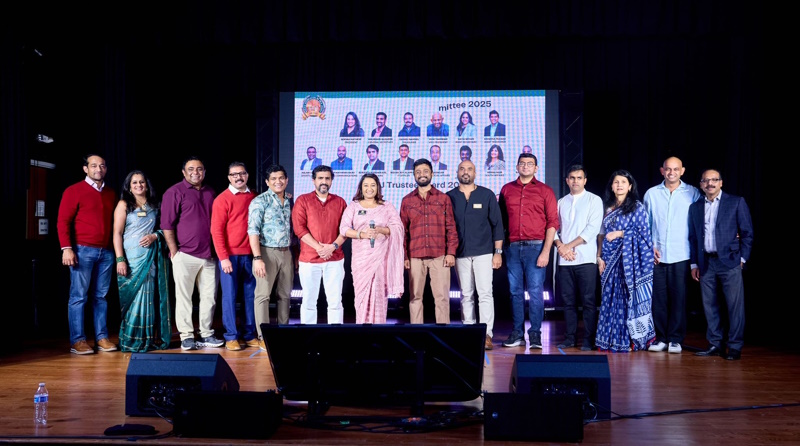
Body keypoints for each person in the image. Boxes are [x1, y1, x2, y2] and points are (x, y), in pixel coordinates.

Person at [689, 169, 753, 361]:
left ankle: (734, 346)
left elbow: (747, 233)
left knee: (735, 307)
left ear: (721, 183)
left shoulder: (736, 202)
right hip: (706, 262)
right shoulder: (695, 207)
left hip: (730, 262)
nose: (710, 183)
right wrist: (694, 264)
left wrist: (742, 259)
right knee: (710, 306)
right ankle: (715, 344)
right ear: (701, 184)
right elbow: (693, 237)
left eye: (714, 180)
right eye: (706, 181)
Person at [58, 154, 118, 355]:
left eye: (102, 165)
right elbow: (63, 222)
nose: (98, 169)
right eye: (93, 166)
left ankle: (101, 338)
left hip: (106, 252)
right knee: (78, 296)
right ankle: (78, 340)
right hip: (82, 251)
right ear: (85, 169)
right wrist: (67, 248)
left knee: (101, 297)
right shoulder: (73, 191)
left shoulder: (110, 193)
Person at [161, 156, 223, 350]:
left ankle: (206, 334)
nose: (196, 172)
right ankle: (186, 336)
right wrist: (174, 252)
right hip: (185, 255)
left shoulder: (210, 192)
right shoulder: (174, 192)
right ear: (183, 172)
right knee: (184, 298)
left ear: (204, 171)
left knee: (209, 298)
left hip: (209, 255)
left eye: (199, 169)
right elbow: (167, 225)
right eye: (191, 169)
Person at [499, 153, 558, 349]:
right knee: (515, 292)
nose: (525, 166)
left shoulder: (545, 191)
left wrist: (546, 251)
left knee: (535, 292)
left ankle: (535, 335)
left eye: (530, 164)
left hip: (536, 247)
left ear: (536, 168)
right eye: (522, 164)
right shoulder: (507, 190)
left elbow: (552, 222)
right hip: (513, 247)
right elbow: (501, 222)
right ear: (516, 167)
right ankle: (517, 333)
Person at [643, 157, 701, 354]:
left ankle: (675, 339)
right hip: (657, 256)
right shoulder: (651, 193)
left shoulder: (692, 193)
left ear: (682, 171)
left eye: (676, 169)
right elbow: (646, 224)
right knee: (658, 299)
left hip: (681, 254)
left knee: (679, 299)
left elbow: (700, 222)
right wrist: (650, 247)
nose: (671, 172)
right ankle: (661, 338)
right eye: (668, 169)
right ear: (662, 171)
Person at [595, 170, 656, 353]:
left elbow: (644, 234)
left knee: (625, 300)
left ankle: (629, 340)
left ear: (630, 187)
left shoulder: (637, 207)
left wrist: (620, 233)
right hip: (609, 261)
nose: (619, 185)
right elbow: (601, 235)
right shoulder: (608, 208)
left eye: (623, 182)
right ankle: (608, 339)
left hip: (629, 262)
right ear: (612, 187)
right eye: (616, 182)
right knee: (609, 300)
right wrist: (599, 257)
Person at [447, 160, 504, 350]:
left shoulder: (486, 195)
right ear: (457, 172)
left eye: (469, 169)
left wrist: (498, 253)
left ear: (475, 173)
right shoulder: (450, 197)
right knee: (466, 294)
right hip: (460, 253)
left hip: (484, 253)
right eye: (462, 169)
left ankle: (486, 334)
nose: (466, 172)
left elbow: (497, 225)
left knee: (485, 293)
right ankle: (469, 332)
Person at [112, 170, 171, 353]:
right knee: (134, 298)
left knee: (148, 297)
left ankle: (146, 339)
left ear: (147, 185)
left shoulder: (155, 205)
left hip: (149, 258)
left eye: (142, 182)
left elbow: (166, 228)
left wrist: (155, 236)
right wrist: (120, 259)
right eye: (134, 183)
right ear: (129, 187)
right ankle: (131, 340)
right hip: (131, 260)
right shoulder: (124, 204)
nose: (139, 185)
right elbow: (117, 233)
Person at [339, 174, 405, 323]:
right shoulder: (354, 206)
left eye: (373, 185)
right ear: (361, 188)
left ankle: (379, 330)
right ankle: (362, 330)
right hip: (361, 260)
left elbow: (398, 228)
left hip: (380, 258)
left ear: (378, 188)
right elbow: (343, 229)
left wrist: (380, 229)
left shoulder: (386, 206)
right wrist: (361, 234)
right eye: (366, 185)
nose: (369, 189)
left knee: (379, 295)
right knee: (361, 298)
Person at [400, 159, 459, 324]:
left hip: (439, 255)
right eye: (418, 172)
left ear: (432, 174)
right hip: (415, 256)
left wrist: (451, 253)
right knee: (415, 298)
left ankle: (443, 334)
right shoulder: (407, 201)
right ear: (414, 175)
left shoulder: (443, 198)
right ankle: (416, 333)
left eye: (425, 171)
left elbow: (451, 228)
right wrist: (404, 256)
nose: (422, 175)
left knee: (442, 298)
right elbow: (402, 232)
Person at [552, 165, 603, 351]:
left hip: (586, 259)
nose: (575, 181)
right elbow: (553, 228)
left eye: (579, 178)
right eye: (572, 178)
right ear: (567, 180)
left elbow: (592, 229)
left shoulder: (594, 200)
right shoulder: (561, 202)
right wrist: (560, 246)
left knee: (588, 302)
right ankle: (570, 338)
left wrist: (568, 246)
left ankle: (589, 339)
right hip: (565, 260)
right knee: (568, 302)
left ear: (585, 180)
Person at [211, 162, 259, 351]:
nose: (238, 177)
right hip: (230, 256)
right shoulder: (222, 199)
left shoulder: (254, 196)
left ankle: (249, 334)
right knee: (229, 297)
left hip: (251, 255)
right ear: (229, 178)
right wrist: (223, 257)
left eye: (242, 173)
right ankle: (231, 336)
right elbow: (216, 231)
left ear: (247, 175)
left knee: (250, 296)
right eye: (234, 174)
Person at [292, 165, 348, 324]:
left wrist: (332, 247)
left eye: (327, 178)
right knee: (309, 301)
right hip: (309, 259)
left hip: (334, 258)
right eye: (320, 178)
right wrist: (319, 248)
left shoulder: (340, 202)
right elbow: (299, 229)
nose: (324, 181)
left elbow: (346, 230)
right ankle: (308, 336)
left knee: (335, 302)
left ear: (331, 181)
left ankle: (335, 334)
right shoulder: (303, 200)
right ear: (313, 180)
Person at [248, 164, 294, 347]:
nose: (278, 181)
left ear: (286, 180)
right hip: (266, 252)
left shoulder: (289, 200)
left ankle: (283, 332)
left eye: (281, 178)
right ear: (267, 182)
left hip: (286, 252)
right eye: (273, 179)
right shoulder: (260, 201)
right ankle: (263, 337)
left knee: (285, 295)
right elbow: (253, 231)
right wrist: (257, 258)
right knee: (263, 295)